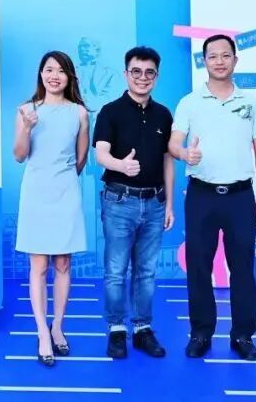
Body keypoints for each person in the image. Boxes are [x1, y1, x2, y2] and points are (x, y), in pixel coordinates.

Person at [169, 34, 256, 361]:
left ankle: (242, 335)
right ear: (204, 61)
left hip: (241, 196)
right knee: (199, 267)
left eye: (225, 55)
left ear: (235, 60)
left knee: (243, 268)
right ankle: (201, 333)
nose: (219, 61)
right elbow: (173, 143)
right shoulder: (189, 102)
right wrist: (184, 154)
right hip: (201, 195)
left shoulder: (250, 102)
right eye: (212, 56)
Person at [93, 46, 175, 359]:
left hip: (155, 203)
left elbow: (168, 160)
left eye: (149, 72)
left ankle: (142, 329)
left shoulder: (163, 114)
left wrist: (169, 203)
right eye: (136, 71)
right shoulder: (110, 111)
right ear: (126, 73)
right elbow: (101, 154)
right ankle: (116, 329)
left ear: (157, 76)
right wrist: (121, 165)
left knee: (146, 272)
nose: (143, 77)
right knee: (116, 271)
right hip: (119, 201)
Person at [14, 51, 90, 368]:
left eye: (60, 70)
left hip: (66, 193)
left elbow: (81, 159)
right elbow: (19, 155)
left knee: (62, 264)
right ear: (40, 74)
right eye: (48, 69)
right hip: (35, 194)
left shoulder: (79, 113)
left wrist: (63, 181)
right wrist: (26, 128)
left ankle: (58, 326)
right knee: (39, 266)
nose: (54, 76)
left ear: (69, 76)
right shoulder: (26, 110)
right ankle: (42, 333)